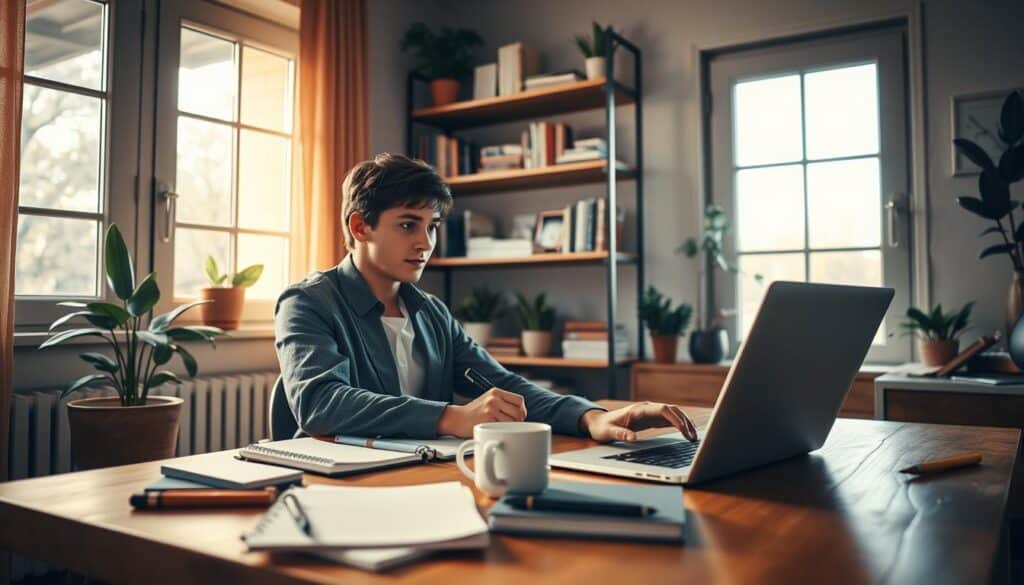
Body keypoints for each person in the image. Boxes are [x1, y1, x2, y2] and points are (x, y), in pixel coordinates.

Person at [274, 153, 698, 442]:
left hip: (420, 480)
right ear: (360, 227)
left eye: (433, 225)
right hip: (335, 489)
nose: (425, 242)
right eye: (408, 225)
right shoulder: (308, 302)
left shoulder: (430, 313)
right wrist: (452, 417)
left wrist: (591, 416)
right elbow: (320, 402)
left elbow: (504, 386)